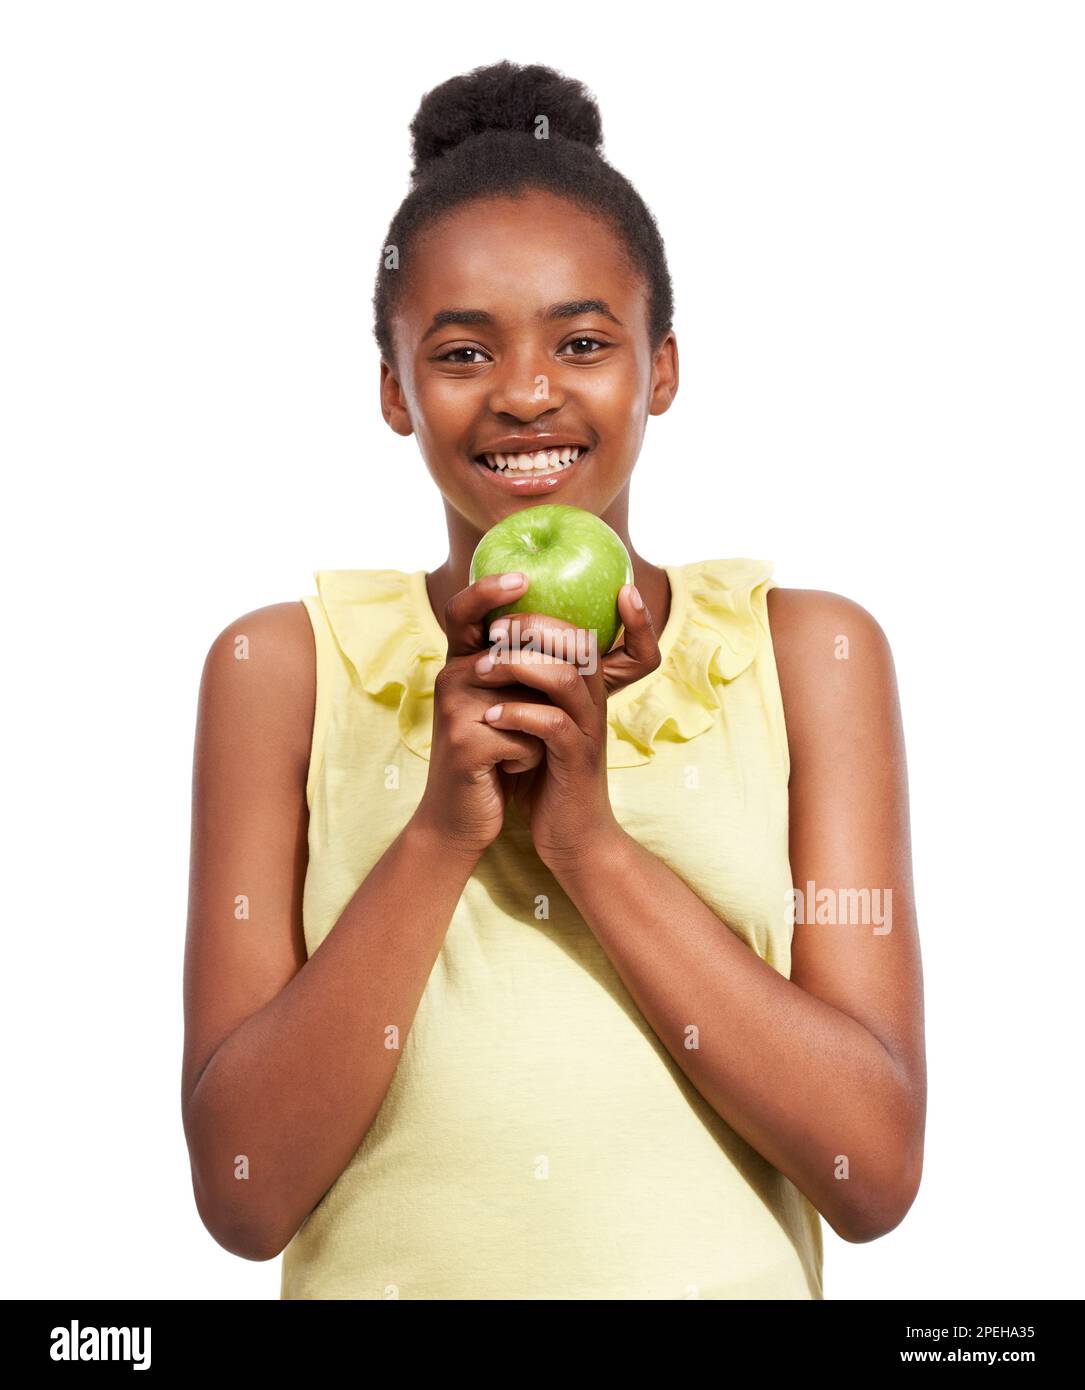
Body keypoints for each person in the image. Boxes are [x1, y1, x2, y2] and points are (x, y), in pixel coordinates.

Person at [181, 60, 925, 1301]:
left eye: (581, 341)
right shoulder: (284, 670)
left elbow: (875, 1169)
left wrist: (589, 840)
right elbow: (244, 1195)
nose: (526, 392)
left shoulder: (805, 657)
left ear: (661, 368)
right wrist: (438, 831)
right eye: (462, 349)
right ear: (392, 390)